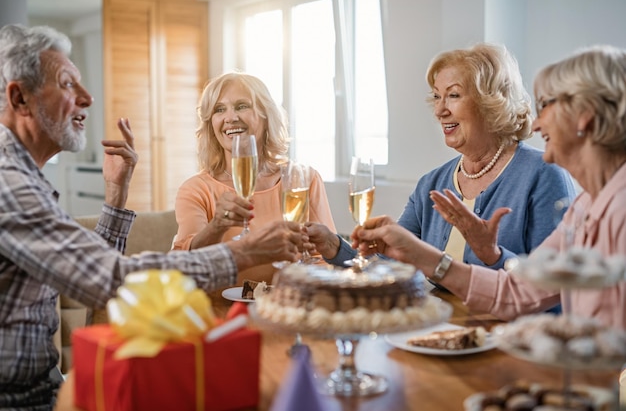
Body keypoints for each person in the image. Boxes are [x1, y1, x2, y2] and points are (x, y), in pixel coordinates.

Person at [0, 24, 305, 410]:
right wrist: (243, 254)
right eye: (67, 84)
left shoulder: (23, 176)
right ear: (20, 98)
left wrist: (116, 195)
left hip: (44, 388)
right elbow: (109, 279)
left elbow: (87, 268)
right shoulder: (9, 184)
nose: (87, 98)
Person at [352, 44, 626, 330]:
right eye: (437, 96)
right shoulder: (585, 207)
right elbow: (520, 291)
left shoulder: (616, 205)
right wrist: (429, 257)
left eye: (545, 105)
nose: (536, 122)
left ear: (585, 115)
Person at [308, 43, 576, 277]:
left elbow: (556, 285)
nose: (439, 110)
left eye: (453, 95)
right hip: (435, 328)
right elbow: (391, 269)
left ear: (491, 102)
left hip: (507, 333)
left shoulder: (543, 174)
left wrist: (494, 256)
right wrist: (335, 247)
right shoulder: (431, 184)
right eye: (436, 96)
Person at [172, 72, 336, 284]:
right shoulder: (195, 189)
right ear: (211, 124)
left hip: (287, 307)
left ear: (266, 115)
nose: (230, 118)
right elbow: (184, 264)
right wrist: (217, 226)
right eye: (219, 110)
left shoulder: (303, 179)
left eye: (242, 106)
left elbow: (324, 258)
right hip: (224, 310)